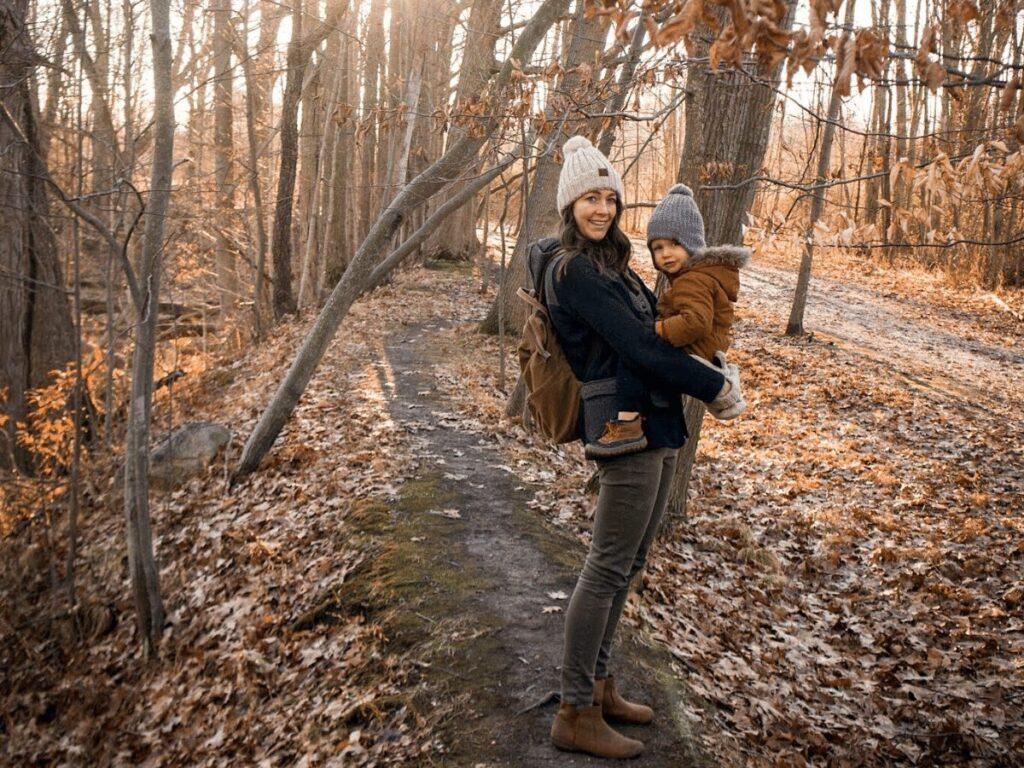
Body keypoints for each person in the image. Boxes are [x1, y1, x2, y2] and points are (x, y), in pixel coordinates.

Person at [535, 135, 743, 759]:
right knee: (605, 565)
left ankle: (599, 687)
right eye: (589, 199)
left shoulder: (610, 262)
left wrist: (710, 364)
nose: (601, 209)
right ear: (569, 204)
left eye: (609, 198)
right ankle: (574, 709)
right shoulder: (575, 272)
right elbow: (643, 347)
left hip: (654, 420)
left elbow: (665, 332)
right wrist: (714, 388)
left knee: (628, 563)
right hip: (621, 427)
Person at [588, 183, 751, 459]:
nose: (665, 253)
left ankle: (627, 425)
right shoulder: (696, 277)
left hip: (694, 352)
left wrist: (657, 330)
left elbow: (695, 322)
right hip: (703, 350)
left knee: (635, 355)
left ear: (692, 243)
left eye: (675, 244)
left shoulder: (693, 280)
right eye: (658, 247)